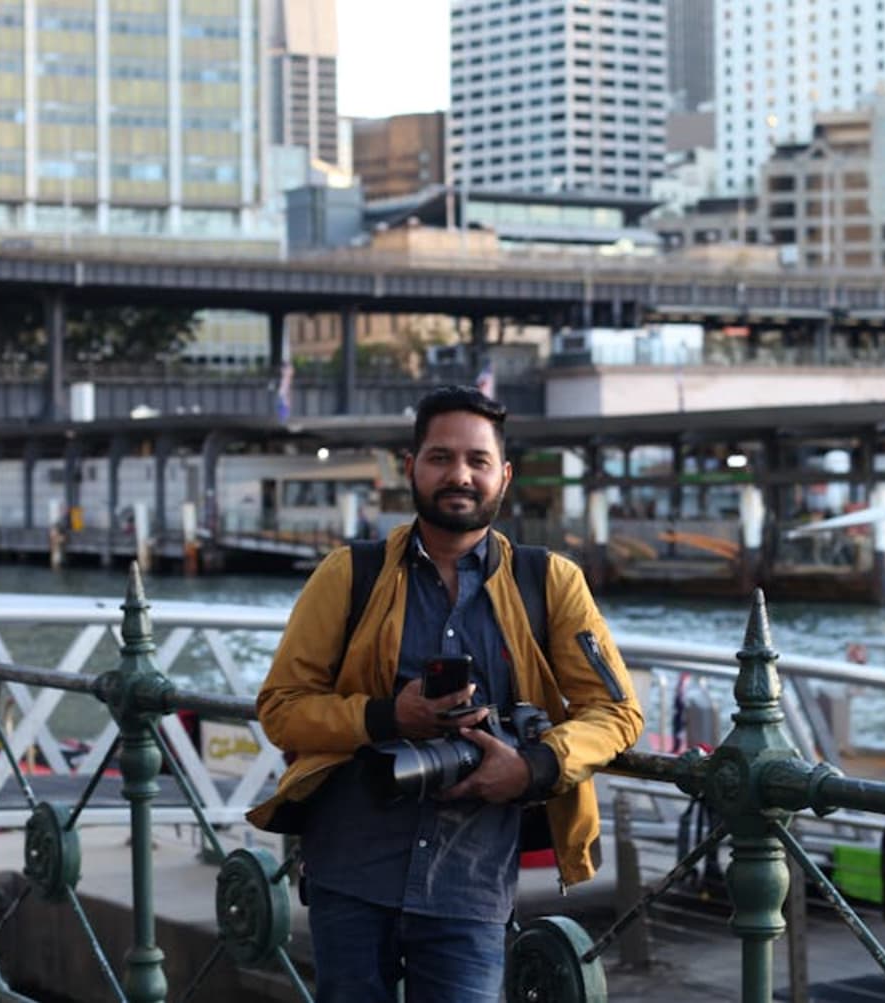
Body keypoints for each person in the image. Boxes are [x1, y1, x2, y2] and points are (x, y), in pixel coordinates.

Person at [249, 385, 644, 1002]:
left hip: (472, 883)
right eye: (439, 458)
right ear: (410, 467)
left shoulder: (550, 582)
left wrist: (532, 767)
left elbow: (617, 712)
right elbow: (281, 708)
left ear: (504, 476)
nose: (458, 475)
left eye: (477, 461)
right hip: (349, 871)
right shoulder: (349, 575)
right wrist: (387, 717)